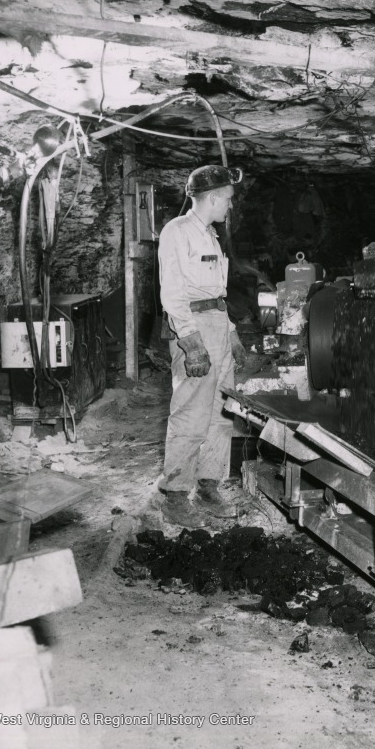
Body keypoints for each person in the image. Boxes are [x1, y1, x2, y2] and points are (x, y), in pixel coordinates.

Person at [158, 165, 248, 526]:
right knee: (191, 413)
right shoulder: (177, 231)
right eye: (227, 199)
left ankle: (208, 487)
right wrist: (191, 343)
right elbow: (173, 293)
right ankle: (176, 495)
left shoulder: (210, 235)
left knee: (220, 413)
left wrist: (231, 333)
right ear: (211, 197)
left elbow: (216, 294)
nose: (230, 205)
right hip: (193, 327)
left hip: (217, 322)